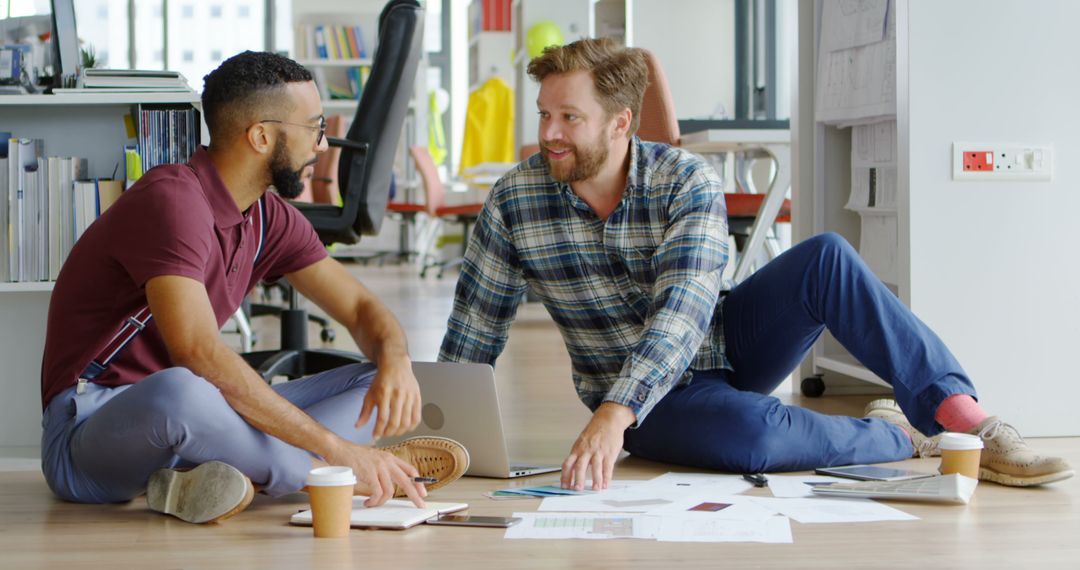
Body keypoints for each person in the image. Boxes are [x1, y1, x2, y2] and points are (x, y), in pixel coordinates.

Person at [438, 38, 1072, 491]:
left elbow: (684, 312)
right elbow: (475, 329)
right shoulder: (516, 198)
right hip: (652, 406)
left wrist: (611, 413)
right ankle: (906, 437)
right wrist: (441, 436)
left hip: (714, 344)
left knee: (825, 257)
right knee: (755, 441)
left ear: (620, 123)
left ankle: (971, 426)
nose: (548, 132)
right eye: (546, 113)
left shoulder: (685, 179)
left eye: (568, 117)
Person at [40, 51, 467, 524]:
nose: (323, 146)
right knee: (184, 391)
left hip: (204, 421)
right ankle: (328, 473)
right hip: (89, 428)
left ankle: (220, 475)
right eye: (315, 127)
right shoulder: (173, 200)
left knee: (372, 378)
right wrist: (338, 448)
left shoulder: (268, 216)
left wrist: (397, 361)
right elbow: (197, 352)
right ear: (261, 136)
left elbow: (361, 307)